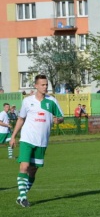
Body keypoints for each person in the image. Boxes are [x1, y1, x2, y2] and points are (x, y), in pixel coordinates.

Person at [9, 75, 64, 207]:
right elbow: (21, 119)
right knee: (24, 166)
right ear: (36, 86)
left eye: (46, 85)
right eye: (42, 85)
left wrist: (58, 120)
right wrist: (13, 136)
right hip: (27, 139)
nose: (45, 87)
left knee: (33, 171)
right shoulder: (27, 101)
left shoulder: (52, 101)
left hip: (42, 141)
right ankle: (23, 197)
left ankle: (21, 196)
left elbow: (61, 117)